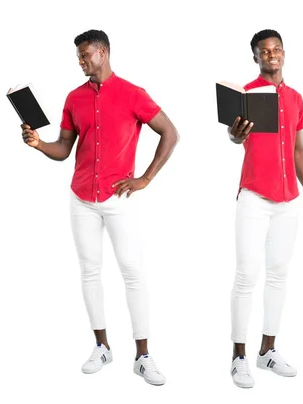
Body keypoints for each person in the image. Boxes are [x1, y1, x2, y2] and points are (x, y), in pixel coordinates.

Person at [20, 29, 179, 386]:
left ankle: (143, 355)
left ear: (103, 53)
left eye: (85, 55)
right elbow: (63, 148)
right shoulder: (74, 98)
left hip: (118, 199)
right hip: (81, 198)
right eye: (78, 56)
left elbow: (170, 133)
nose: (80, 61)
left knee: (132, 273)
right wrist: (38, 144)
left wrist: (145, 178)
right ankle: (102, 346)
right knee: (90, 271)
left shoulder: (133, 94)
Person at [226, 29, 303, 389]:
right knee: (246, 275)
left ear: (284, 53)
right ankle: (238, 357)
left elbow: (299, 150)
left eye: (277, 49)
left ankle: (267, 350)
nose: (272, 55)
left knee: (279, 275)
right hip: (253, 195)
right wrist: (236, 134)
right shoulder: (247, 94)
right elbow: (235, 137)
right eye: (265, 51)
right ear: (256, 57)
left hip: (288, 201)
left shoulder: (296, 98)